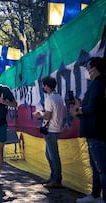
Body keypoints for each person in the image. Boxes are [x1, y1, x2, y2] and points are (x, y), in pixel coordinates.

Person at [71, 57, 106, 203]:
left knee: (102, 168)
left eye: (88, 68)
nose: (87, 71)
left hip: (96, 131)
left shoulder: (99, 83)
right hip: (94, 131)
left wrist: (79, 109)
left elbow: (93, 107)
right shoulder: (97, 84)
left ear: (94, 68)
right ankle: (95, 195)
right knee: (96, 166)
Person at [33, 76, 64, 188]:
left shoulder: (50, 99)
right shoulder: (59, 97)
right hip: (55, 129)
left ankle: (57, 179)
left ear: (46, 86)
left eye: (43, 85)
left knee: (53, 155)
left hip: (51, 130)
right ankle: (53, 177)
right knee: (49, 154)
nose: (42, 87)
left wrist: (39, 114)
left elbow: (47, 116)